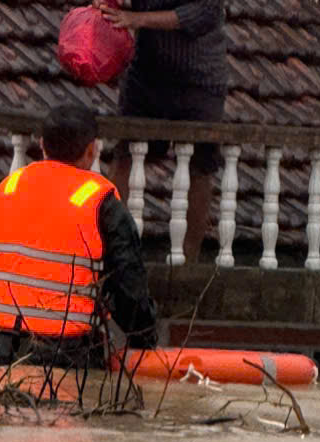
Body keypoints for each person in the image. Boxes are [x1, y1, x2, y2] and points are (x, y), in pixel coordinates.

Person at [0, 103, 159, 369]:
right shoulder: (102, 203)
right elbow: (128, 286)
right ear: (91, 150)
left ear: (42, 145)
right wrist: (146, 340)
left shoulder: (7, 189)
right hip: (71, 357)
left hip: (4, 351)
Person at [95, 0, 226, 262]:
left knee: (200, 166)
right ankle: (108, 248)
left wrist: (137, 19)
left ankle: (189, 259)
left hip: (199, 77)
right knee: (126, 155)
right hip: (147, 73)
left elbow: (203, 13)